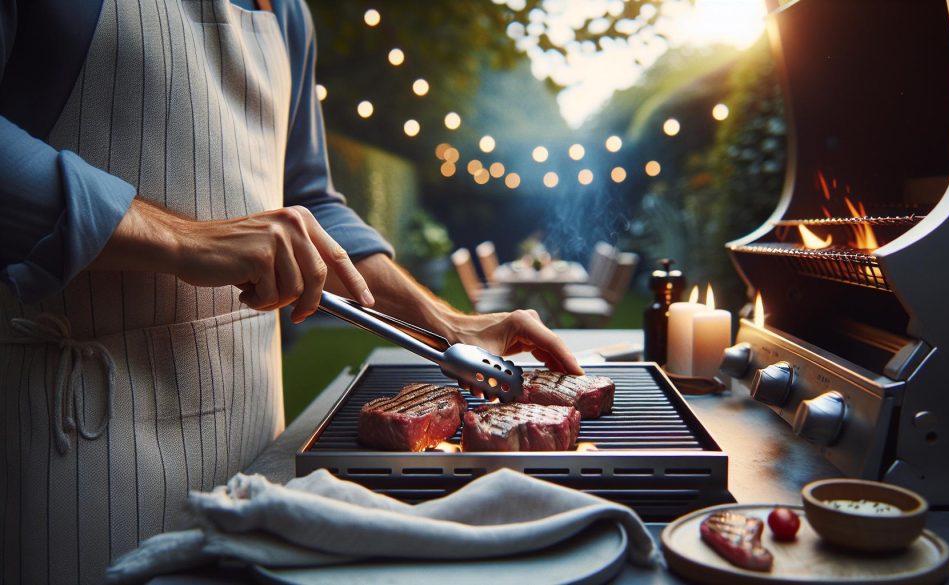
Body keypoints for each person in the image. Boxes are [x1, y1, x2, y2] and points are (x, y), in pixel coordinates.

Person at [0, 1, 583, 583]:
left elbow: (310, 199)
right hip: (78, 435)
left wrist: (448, 323)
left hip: (257, 426)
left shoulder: (286, 12)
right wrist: (183, 239)